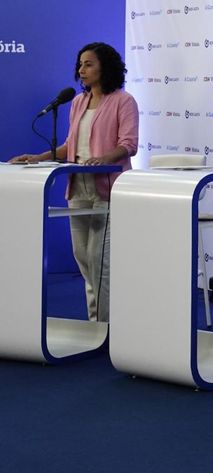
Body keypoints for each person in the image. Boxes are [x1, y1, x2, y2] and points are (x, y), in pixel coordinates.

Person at [10, 42, 139, 323]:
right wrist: (38, 157)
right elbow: (70, 145)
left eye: (88, 64)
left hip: (107, 187)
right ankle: (97, 322)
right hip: (77, 185)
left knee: (99, 260)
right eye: (80, 64)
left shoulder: (123, 100)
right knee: (82, 257)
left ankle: (106, 327)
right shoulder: (78, 102)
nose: (81, 69)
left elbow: (129, 145)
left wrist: (103, 158)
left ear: (105, 67)